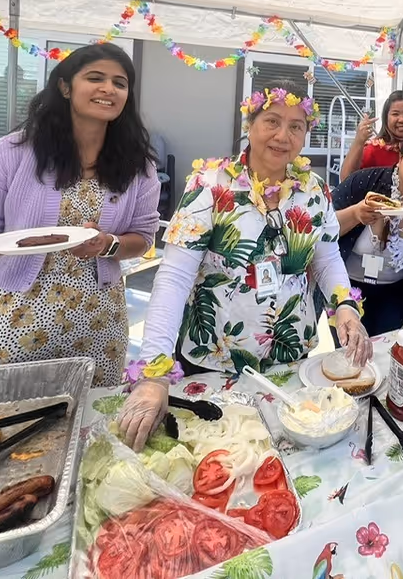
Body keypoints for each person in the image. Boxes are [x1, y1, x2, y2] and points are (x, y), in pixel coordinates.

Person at [120, 83, 372, 450]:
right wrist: (154, 373)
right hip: (215, 359)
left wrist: (346, 306)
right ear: (250, 125)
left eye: (296, 126)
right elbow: (173, 278)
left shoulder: (315, 190)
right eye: (272, 121)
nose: (283, 135)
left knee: (287, 454)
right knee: (222, 456)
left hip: (290, 357)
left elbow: (327, 256)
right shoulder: (209, 185)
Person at [0, 43, 161, 387]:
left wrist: (107, 245)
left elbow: (143, 237)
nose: (109, 89)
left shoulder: (139, 167)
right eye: (95, 78)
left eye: (120, 83)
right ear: (64, 86)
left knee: (86, 423)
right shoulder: (14, 151)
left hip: (97, 322)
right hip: (10, 314)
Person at [332, 131, 403, 334]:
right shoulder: (366, 182)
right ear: (401, 159)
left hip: (398, 293)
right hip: (346, 286)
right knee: (348, 356)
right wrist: (356, 213)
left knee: (387, 353)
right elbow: (321, 228)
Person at [339, 90, 403, 181]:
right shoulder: (374, 149)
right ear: (386, 118)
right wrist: (358, 141)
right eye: (395, 114)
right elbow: (346, 179)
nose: (402, 119)